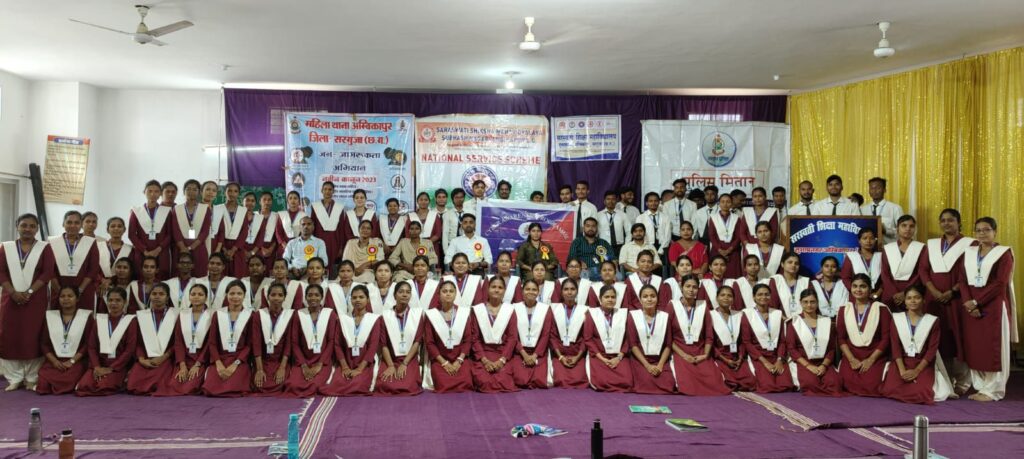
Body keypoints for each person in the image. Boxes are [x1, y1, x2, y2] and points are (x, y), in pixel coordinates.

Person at [956, 217, 1014, 402]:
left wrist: (976, 302)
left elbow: (1000, 283)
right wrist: (968, 302)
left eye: (987, 230)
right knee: (975, 346)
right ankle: (981, 387)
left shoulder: (1003, 253)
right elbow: (962, 280)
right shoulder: (969, 252)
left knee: (993, 347)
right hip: (971, 305)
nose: (982, 233)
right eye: (978, 230)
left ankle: (993, 390)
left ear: (995, 232)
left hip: (993, 304)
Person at [919, 208, 973, 392]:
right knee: (939, 338)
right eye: (943, 220)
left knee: (959, 338)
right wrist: (933, 291)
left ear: (959, 222)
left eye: (951, 220)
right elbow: (923, 270)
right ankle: (944, 380)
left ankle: (963, 382)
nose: (946, 223)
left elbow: (971, 270)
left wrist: (952, 291)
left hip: (957, 298)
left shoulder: (970, 244)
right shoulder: (932, 245)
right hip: (933, 299)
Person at [0, 214, 54, 391]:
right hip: (11, 298)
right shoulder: (6, 247)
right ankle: (14, 377)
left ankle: (31, 377)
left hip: (35, 298)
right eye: (24, 225)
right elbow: (1, 272)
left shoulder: (44, 248)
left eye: (32, 226)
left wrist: (29, 292)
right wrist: (13, 292)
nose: (27, 229)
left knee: (33, 334)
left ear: (37, 228)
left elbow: (47, 272)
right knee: (10, 335)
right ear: (17, 226)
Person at [882, 285, 953, 404]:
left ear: (923, 300)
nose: (913, 301)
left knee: (921, 392)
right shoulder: (897, 319)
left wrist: (916, 370)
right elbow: (895, 347)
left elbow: (932, 350)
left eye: (917, 297)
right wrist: (902, 370)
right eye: (909, 298)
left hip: (922, 363)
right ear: (905, 301)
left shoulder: (932, 321)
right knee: (891, 389)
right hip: (902, 362)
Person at [670, 275, 731, 395]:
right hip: (679, 350)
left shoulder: (703, 306)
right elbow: (667, 337)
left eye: (694, 287)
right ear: (681, 287)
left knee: (713, 381)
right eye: (688, 286)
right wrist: (683, 355)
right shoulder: (672, 305)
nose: (691, 290)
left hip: (700, 350)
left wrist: (705, 355)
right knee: (687, 381)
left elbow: (709, 335)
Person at [837, 273, 892, 397]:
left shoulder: (881, 308)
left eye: (863, 286)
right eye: (855, 286)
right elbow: (841, 338)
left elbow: (886, 338)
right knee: (844, 383)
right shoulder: (844, 309)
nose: (858, 289)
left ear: (870, 289)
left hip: (874, 354)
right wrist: (851, 359)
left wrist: (870, 360)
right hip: (852, 355)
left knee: (871, 385)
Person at [75, 287, 137, 396]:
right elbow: (92, 347)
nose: (114, 303)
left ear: (125, 302)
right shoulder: (100, 320)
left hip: (118, 365)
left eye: (118, 300)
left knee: (103, 386)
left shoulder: (130, 321)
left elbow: (129, 350)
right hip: (99, 364)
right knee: (84, 386)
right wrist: (97, 367)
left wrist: (111, 368)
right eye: (110, 300)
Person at [323, 285, 382, 396]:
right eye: (354, 297)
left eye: (361, 297)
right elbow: (337, 345)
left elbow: (373, 346)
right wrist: (344, 367)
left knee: (357, 384)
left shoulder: (374, 319)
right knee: (338, 383)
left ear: (368, 300)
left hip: (365, 362)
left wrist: (360, 369)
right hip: (346, 360)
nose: (357, 300)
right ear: (350, 300)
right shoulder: (343, 319)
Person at [202, 280, 255, 397]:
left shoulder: (251, 315)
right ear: (226, 295)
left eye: (239, 293)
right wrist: (218, 364)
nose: (235, 297)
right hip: (221, 358)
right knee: (211, 388)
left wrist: (235, 364)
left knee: (235, 386)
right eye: (232, 293)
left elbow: (249, 345)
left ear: (244, 295)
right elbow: (212, 343)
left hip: (239, 359)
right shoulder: (218, 314)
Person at [35, 286, 92, 395]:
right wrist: (54, 361)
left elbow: (88, 343)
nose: (66, 299)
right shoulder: (51, 316)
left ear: (77, 299)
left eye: (70, 296)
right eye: (62, 296)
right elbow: (44, 343)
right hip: (55, 361)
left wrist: (72, 361)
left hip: (77, 360)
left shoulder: (86, 316)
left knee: (69, 378)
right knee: (43, 386)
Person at [786, 289, 842, 396]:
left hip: (822, 362)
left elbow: (831, 349)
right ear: (800, 302)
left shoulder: (827, 322)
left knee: (835, 383)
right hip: (804, 362)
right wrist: (809, 366)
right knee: (811, 384)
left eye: (812, 302)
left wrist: (824, 365)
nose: (809, 305)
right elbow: (792, 349)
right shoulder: (793, 322)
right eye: (805, 302)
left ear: (817, 302)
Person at [284, 284, 337, 397]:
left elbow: (331, 341)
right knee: (292, 385)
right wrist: (303, 365)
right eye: (310, 295)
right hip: (303, 360)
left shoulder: (329, 314)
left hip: (322, 360)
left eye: (316, 295)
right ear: (305, 297)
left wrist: (320, 364)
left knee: (315, 385)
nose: (313, 298)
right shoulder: (299, 314)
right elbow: (295, 342)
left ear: (322, 297)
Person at [161, 284, 213, 396]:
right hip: (185, 357)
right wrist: (182, 364)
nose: (196, 297)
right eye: (193, 294)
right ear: (189, 297)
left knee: (192, 386)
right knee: (175, 384)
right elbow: (178, 341)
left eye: (200, 294)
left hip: (202, 358)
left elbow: (210, 343)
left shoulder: (212, 315)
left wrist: (198, 364)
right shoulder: (183, 314)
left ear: (206, 297)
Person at [126, 282, 177, 395]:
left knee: (159, 384)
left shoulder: (175, 315)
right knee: (132, 385)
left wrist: (164, 357)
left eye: (161, 294)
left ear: (167, 297)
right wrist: (141, 359)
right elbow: (138, 342)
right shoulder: (141, 316)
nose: (157, 296)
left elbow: (177, 342)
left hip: (166, 357)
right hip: (146, 357)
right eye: (154, 294)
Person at [470, 276, 518, 393]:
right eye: (493, 287)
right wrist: (484, 360)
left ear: (504, 291)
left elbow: (512, 338)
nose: (496, 290)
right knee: (484, 381)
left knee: (504, 380)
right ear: (488, 289)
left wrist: (502, 360)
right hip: (483, 354)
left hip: (502, 353)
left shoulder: (509, 310)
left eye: (500, 288)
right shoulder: (478, 310)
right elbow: (475, 338)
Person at [424, 281, 474, 393]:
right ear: (439, 294)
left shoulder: (463, 313)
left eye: (451, 291)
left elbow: (467, 340)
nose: (448, 294)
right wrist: (444, 363)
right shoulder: (432, 314)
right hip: (440, 359)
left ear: (455, 294)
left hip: (459, 358)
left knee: (466, 381)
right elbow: (430, 343)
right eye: (444, 291)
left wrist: (459, 360)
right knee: (442, 384)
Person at [376, 282, 425, 396]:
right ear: (394, 295)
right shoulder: (385, 316)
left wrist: (404, 363)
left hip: (409, 358)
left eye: (408, 292)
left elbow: (417, 342)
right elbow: (383, 344)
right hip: (390, 357)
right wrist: (390, 365)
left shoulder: (417, 315)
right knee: (384, 384)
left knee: (408, 386)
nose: (404, 294)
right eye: (401, 292)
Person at [741, 284, 792, 393]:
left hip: (775, 355)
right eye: (759, 294)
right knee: (767, 386)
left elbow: (782, 341)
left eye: (766, 294)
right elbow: (747, 342)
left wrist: (779, 360)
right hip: (758, 356)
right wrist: (765, 362)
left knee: (785, 385)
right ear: (754, 297)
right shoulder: (747, 314)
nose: (763, 297)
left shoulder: (777, 314)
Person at [49, 211, 100, 311]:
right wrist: (59, 289)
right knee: (58, 317)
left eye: (76, 223)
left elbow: (93, 269)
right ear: (63, 224)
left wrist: (80, 289)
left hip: (84, 289)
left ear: (81, 225)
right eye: (69, 222)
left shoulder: (90, 243)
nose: (73, 226)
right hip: (58, 289)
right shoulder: (53, 242)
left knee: (83, 317)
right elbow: (49, 268)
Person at [627, 284, 674, 394]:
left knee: (668, 384)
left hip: (659, 359)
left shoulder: (664, 317)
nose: (649, 299)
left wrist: (660, 365)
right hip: (640, 359)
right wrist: (647, 365)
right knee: (644, 382)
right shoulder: (633, 316)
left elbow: (668, 345)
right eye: (645, 296)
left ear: (657, 299)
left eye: (653, 296)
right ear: (640, 300)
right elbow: (633, 345)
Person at [584, 285, 632, 391]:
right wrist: (602, 358)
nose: (610, 299)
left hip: (618, 356)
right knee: (602, 382)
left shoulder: (623, 314)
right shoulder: (592, 314)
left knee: (627, 381)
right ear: (600, 298)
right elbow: (588, 339)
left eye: (613, 297)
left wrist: (619, 357)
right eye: (607, 297)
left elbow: (628, 339)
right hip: (599, 355)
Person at [709, 286, 756, 391]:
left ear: (733, 299)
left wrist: (740, 357)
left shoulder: (739, 315)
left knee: (750, 382)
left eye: (729, 296)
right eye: (722, 295)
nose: (726, 298)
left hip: (736, 356)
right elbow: (709, 341)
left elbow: (743, 340)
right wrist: (725, 359)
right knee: (726, 382)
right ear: (717, 298)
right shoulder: (710, 315)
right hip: (719, 356)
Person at [252, 282, 294, 396]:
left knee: (281, 384)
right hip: (263, 361)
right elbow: (256, 343)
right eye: (273, 295)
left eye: (280, 295)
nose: (276, 298)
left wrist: (282, 368)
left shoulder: (289, 315)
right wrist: (259, 370)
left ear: (285, 298)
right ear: (268, 296)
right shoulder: (259, 315)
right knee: (259, 385)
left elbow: (288, 344)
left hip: (280, 361)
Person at [509, 279, 552, 389]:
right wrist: (524, 354)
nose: (531, 292)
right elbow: (513, 335)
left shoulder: (545, 309)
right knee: (520, 380)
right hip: (520, 351)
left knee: (539, 380)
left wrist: (535, 355)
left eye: (534, 289)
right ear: (522, 291)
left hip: (538, 352)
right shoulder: (514, 308)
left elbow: (546, 335)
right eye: (527, 289)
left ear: (538, 292)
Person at [548, 279, 589, 389]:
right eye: (566, 289)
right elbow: (552, 336)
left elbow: (586, 337)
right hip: (559, 353)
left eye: (572, 289)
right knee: (560, 379)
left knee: (580, 379)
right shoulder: (554, 309)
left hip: (577, 353)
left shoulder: (585, 310)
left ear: (577, 291)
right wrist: (560, 357)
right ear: (561, 292)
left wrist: (577, 357)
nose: (569, 292)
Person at [129, 181, 174, 279]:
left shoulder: (166, 211)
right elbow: (132, 234)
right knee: (141, 278)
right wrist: (144, 251)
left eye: (156, 191)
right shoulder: (136, 211)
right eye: (150, 191)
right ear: (144, 192)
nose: (153, 194)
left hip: (161, 252)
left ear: (160, 193)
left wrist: (158, 249)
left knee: (162, 279)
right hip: (142, 252)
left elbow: (170, 234)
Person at [879, 215, 925, 310]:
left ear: (915, 229)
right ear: (897, 228)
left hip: (913, 293)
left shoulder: (922, 248)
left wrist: (906, 293)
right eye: (904, 225)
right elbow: (885, 273)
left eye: (911, 226)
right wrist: (893, 293)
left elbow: (920, 273)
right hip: (890, 293)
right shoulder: (888, 248)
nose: (908, 229)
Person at [171, 180, 214, 278]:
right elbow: (175, 230)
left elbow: (205, 231)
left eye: (195, 189)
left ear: (199, 192)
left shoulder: (205, 209)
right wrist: (183, 248)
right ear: (184, 191)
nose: (191, 191)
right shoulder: (177, 209)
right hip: (180, 248)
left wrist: (191, 247)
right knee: (181, 276)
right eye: (188, 189)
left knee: (199, 275)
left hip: (198, 247)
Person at [706, 194, 742, 278]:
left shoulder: (736, 218)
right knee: (717, 274)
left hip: (732, 251)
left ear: (731, 203)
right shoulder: (713, 217)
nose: (725, 204)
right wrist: (720, 250)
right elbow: (712, 236)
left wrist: (729, 249)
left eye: (728, 202)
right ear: (719, 203)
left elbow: (738, 236)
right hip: (717, 249)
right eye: (723, 202)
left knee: (732, 275)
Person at [310, 181, 345, 269]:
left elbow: (341, 228)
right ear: (321, 190)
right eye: (325, 189)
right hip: (319, 238)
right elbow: (312, 226)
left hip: (334, 240)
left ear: (333, 191)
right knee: (319, 263)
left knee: (331, 265)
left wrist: (341, 247)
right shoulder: (316, 206)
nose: (327, 191)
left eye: (330, 189)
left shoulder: (339, 207)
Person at [96, 217, 136, 290]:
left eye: (119, 226)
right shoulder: (98, 246)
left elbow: (131, 270)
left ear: (124, 230)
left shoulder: (131, 249)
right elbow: (92, 267)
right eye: (113, 226)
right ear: (107, 230)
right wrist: (102, 280)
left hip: (122, 286)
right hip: (99, 285)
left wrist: (110, 280)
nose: (116, 228)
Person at [769, 252, 812, 319]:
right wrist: (784, 320)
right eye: (790, 262)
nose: (793, 265)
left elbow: (811, 303)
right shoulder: (775, 281)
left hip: (803, 320)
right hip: (781, 320)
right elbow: (772, 305)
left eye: (796, 263)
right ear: (782, 264)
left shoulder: (805, 281)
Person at [840, 227, 882, 295]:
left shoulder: (881, 256)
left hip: (876, 295)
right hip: (857, 295)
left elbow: (885, 278)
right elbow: (845, 278)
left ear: (875, 240)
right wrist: (856, 291)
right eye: (865, 238)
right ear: (859, 241)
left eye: (871, 238)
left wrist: (878, 293)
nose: (868, 241)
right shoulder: (851, 256)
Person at [863, 178, 904, 245]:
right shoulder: (863, 209)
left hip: (888, 248)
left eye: (878, 188)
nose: (874, 191)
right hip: (868, 248)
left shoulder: (895, 208)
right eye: (872, 188)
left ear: (884, 190)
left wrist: (886, 230)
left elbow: (903, 231)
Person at [636, 192, 671, 270]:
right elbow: (640, 235)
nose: (653, 203)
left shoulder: (665, 217)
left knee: (662, 270)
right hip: (647, 247)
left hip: (662, 247)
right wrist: (648, 248)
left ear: (659, 202)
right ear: (646, 203)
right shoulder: (640, 218)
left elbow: (667, 236)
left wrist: (660, 251)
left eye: (656, 201)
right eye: (651, 201)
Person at [407, 192, 443, 262]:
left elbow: (438, 234)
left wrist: (426, 244)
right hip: (414, 246)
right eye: (421, 200)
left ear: (429, 201)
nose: (423, 202)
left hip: (431, 245)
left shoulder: (435, 215)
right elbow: (407, 233)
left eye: (426, 200)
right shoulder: (411, 216)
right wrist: (416, 244)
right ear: (417, 201)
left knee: (431, 264)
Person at [249, 192, 279, 267]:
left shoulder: (276, 216)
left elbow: (277, 235)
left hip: (271, 249)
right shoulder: (253, 215)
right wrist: (260, 248)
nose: (267, 202)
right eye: (264, 199)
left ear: (272, 202)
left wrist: (271, 249)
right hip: (255, 248)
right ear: (260, 201)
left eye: (269, 200)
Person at [274, 191, 308, 256]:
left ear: (299, 201)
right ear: (287, 201)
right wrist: (284, 245)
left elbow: (306, 233)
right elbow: (278, 232)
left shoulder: (304, 216)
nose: (293, 200)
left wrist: (299, 245)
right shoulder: (281, 214)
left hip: (299, 247)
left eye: (295, 198)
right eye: (290, 198)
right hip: (283, 248)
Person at [598, 191, 628, 256]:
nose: (610, 201)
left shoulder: (623, 215)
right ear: (604, 201)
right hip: (603, 246)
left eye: (613, 199)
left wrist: (626, 246)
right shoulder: (598, 215)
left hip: (619, 247)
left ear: (616, 201)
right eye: (608, 199)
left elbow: (629, 231)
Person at [441, 188, 468, 253]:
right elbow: (445, 233)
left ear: (464, 198)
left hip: (467, 244)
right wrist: (446, 251)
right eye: (456, 197)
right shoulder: (447, 214)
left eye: (461, 197)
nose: (459, 199)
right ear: (453, 199)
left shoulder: (470, 212)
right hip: (452, 245)